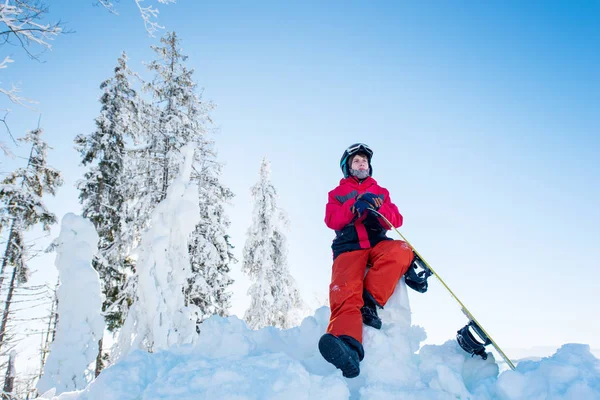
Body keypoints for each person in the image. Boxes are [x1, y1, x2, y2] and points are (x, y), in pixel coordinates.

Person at [318, 143, 415, 378]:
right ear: (348, 168)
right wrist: (353, 207)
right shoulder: (337, 193)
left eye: (364, 161)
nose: (362, 164)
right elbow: (331, 219)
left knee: (402, 250)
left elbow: (396, 220)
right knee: (345, 289)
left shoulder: (380, 191)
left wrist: (379, 211)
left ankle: (369, 301)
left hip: (376, 244)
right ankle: (347, 345)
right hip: (349, 247)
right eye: (356, 161)